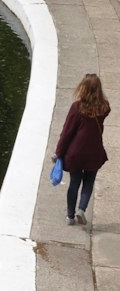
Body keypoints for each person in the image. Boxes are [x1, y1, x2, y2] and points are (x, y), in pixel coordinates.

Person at [53, 74, 111, 226]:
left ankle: (70, 217)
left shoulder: (76, 108)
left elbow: (67, 132)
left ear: (83, 88)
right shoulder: (104, 107)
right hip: (94, 152)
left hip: (76, 153)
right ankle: (82, 209)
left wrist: (58, 152)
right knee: (89, 182)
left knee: (74, 183)